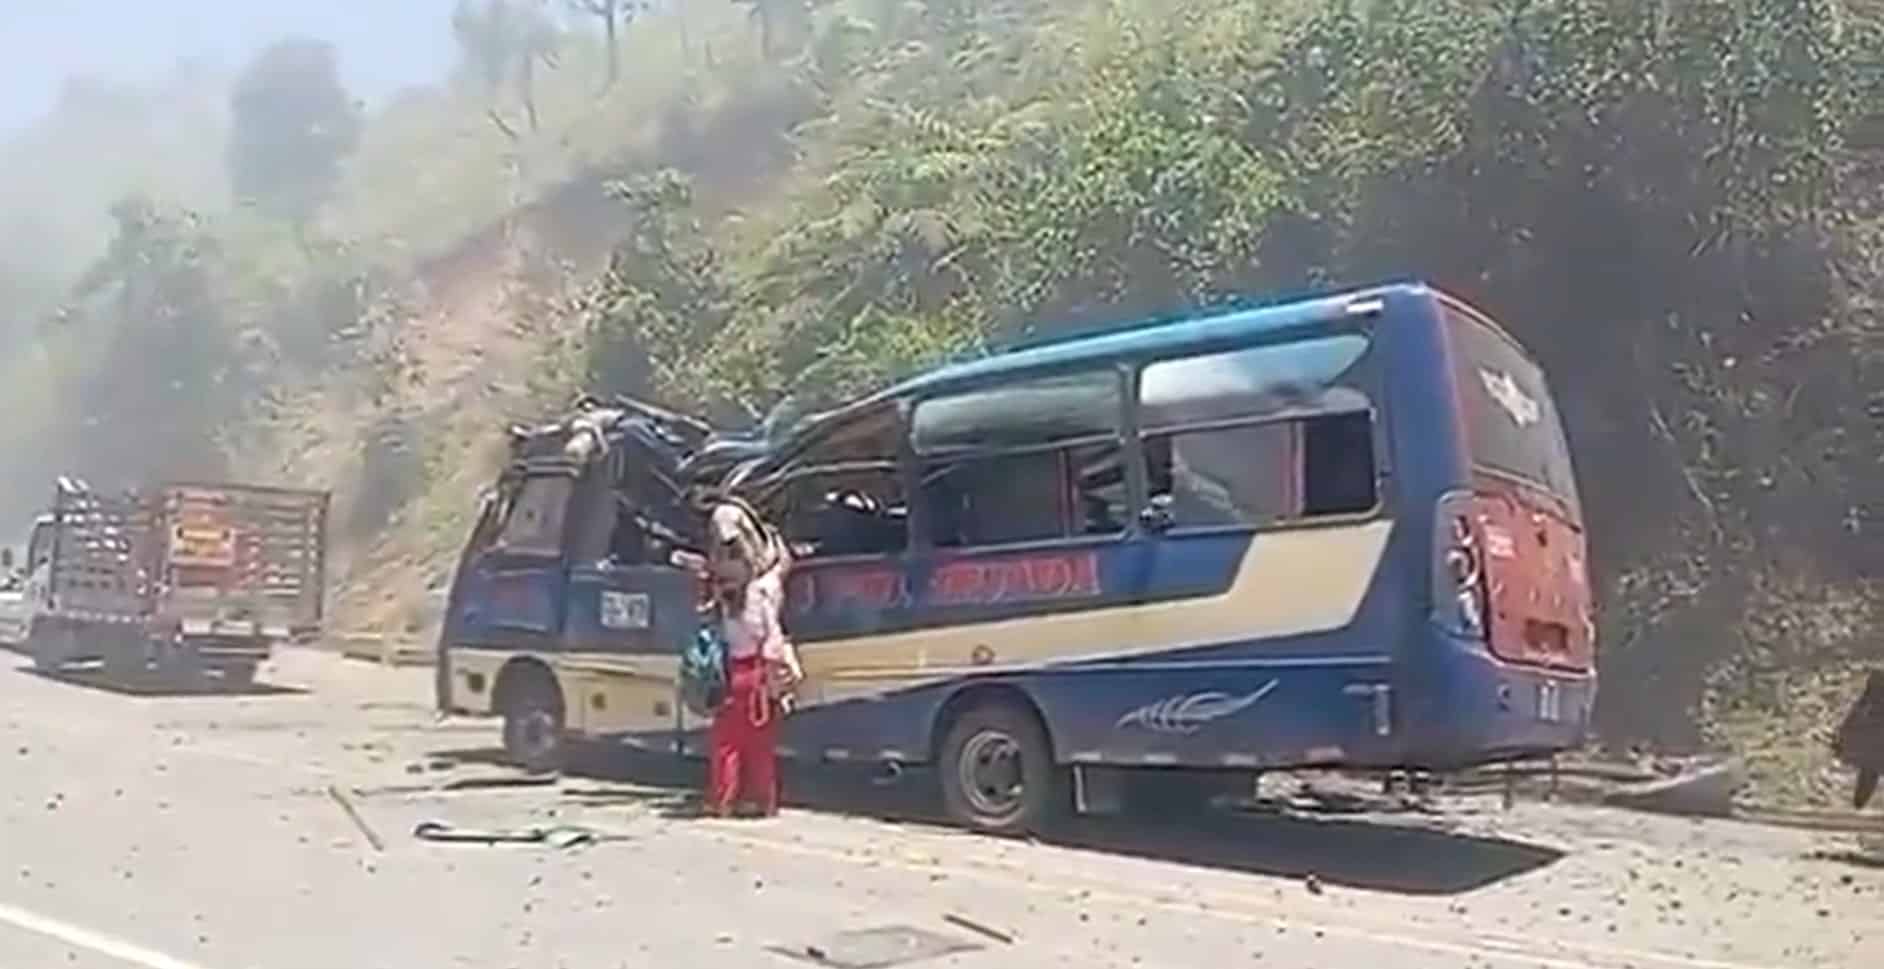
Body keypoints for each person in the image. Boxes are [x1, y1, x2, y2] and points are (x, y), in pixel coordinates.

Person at [700, 496, 803, 818]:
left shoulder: (723, 598)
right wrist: (775, 538)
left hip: (737, 673)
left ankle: (723, 801)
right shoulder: (763, 591)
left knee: (727, 745)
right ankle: (764, 802)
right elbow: (783, 564)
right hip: (761, 676)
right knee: (761, 746)